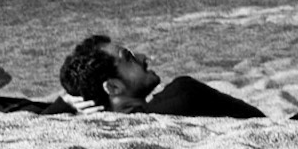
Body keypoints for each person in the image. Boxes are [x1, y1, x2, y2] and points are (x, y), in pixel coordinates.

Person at [59, 35, 267, 118]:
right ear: (113, 87)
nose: (142, 57)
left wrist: (64, 104)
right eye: (128, 58)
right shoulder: (183, 95)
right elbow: (261, 120)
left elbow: (37, 112)